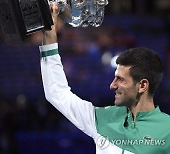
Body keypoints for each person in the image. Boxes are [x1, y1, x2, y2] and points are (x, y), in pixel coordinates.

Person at [39, 3, 170, 154]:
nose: (112, 85)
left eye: (120, 80)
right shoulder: (102, 119)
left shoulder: (167, 130)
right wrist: (49, 32)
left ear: (142, 85)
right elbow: (56, 93)